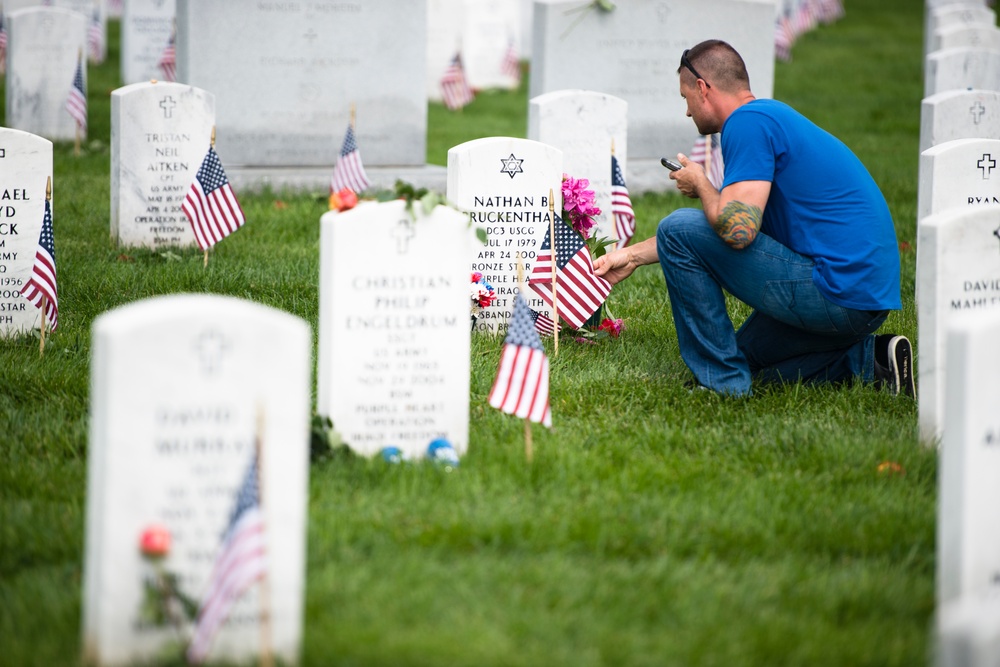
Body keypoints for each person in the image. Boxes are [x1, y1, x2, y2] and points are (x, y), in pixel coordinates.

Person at [593, 39, 913, 398]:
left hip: (837, 289)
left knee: (676, 227)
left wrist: (701, 183)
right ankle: (872, 362)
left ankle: (721, 385)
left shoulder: (747, 123)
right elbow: (721, 228)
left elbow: (737, 230)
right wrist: (632, 256)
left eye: (685, 98)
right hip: (866, 296)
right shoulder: (769, 116)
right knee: (744, 358)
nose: (687, 112)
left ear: (703, 88)